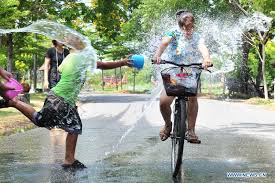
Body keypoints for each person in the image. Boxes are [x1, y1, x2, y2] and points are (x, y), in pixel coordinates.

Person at [5, 35, 133, 170]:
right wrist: (123, 62)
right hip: (61, 99)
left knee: (42, 120)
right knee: (74, 127)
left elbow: (62, 71)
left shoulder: (69, 58)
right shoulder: (81, 57)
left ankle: (14, 103)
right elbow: (102, 65)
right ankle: (69, 160)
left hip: (58, 97)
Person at [153, 10, 212, 143]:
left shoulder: (197, 36)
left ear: (194, 26)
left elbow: (202, 47)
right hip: (173, 70)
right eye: (185, 28)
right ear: (180, 27)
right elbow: (164, 43)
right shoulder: (173, 32)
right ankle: (168, 124)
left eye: (190, 28)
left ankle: (190, 130)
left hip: (190, 71)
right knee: (163, 102)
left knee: (192, 97)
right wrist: (158, 55)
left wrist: (207, 58)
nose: (188, 31)